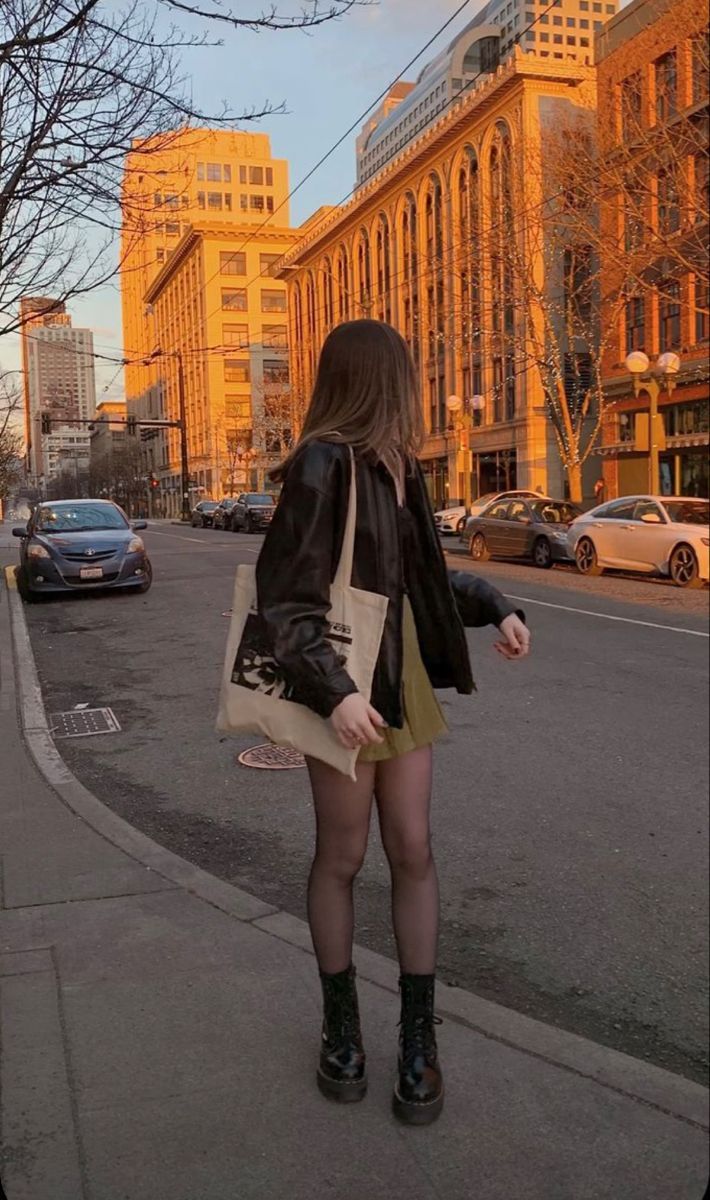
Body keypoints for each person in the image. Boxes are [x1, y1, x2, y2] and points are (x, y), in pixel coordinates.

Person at [255, 320, 530, 1126]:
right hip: (341, 687)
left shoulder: (403, 469)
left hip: (399, 681)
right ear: (380, 379)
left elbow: (423, 582)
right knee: (341, 856)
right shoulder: (320, 463)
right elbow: (286, 599)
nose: (414, 388)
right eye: (405, 374)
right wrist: (334, 691)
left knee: (414, 848)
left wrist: (497, 606)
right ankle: (342, 1028)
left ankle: (419, 1035)